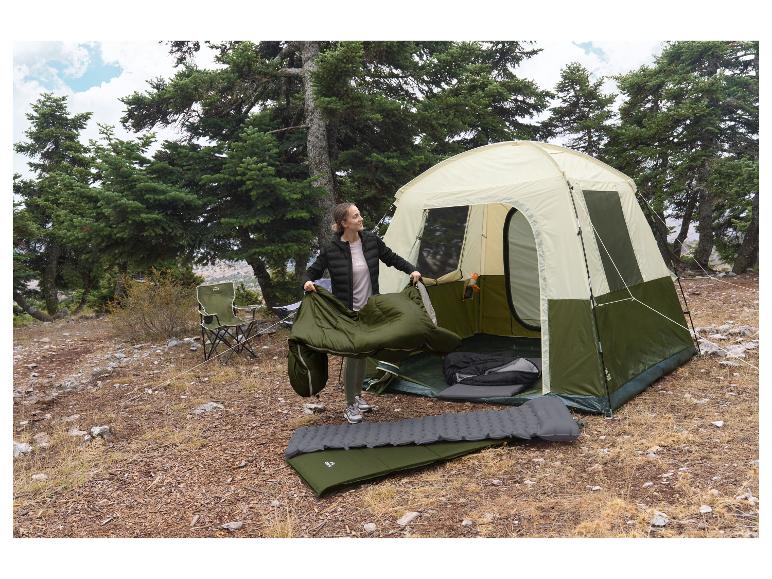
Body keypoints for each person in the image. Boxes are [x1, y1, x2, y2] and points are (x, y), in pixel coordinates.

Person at [303, 202, 421, 424]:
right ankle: (350, 405)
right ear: (344, 223)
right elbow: (312, 271)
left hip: (369, 310)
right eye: (356, 216)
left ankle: (356, 396)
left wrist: (411, 269)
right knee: (353, 355)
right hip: (347, 312)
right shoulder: (332, 249)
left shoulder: (371, 241)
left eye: (359, 214)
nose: (361, 218)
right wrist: (307, 282)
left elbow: (392, 258)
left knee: (363, 354)